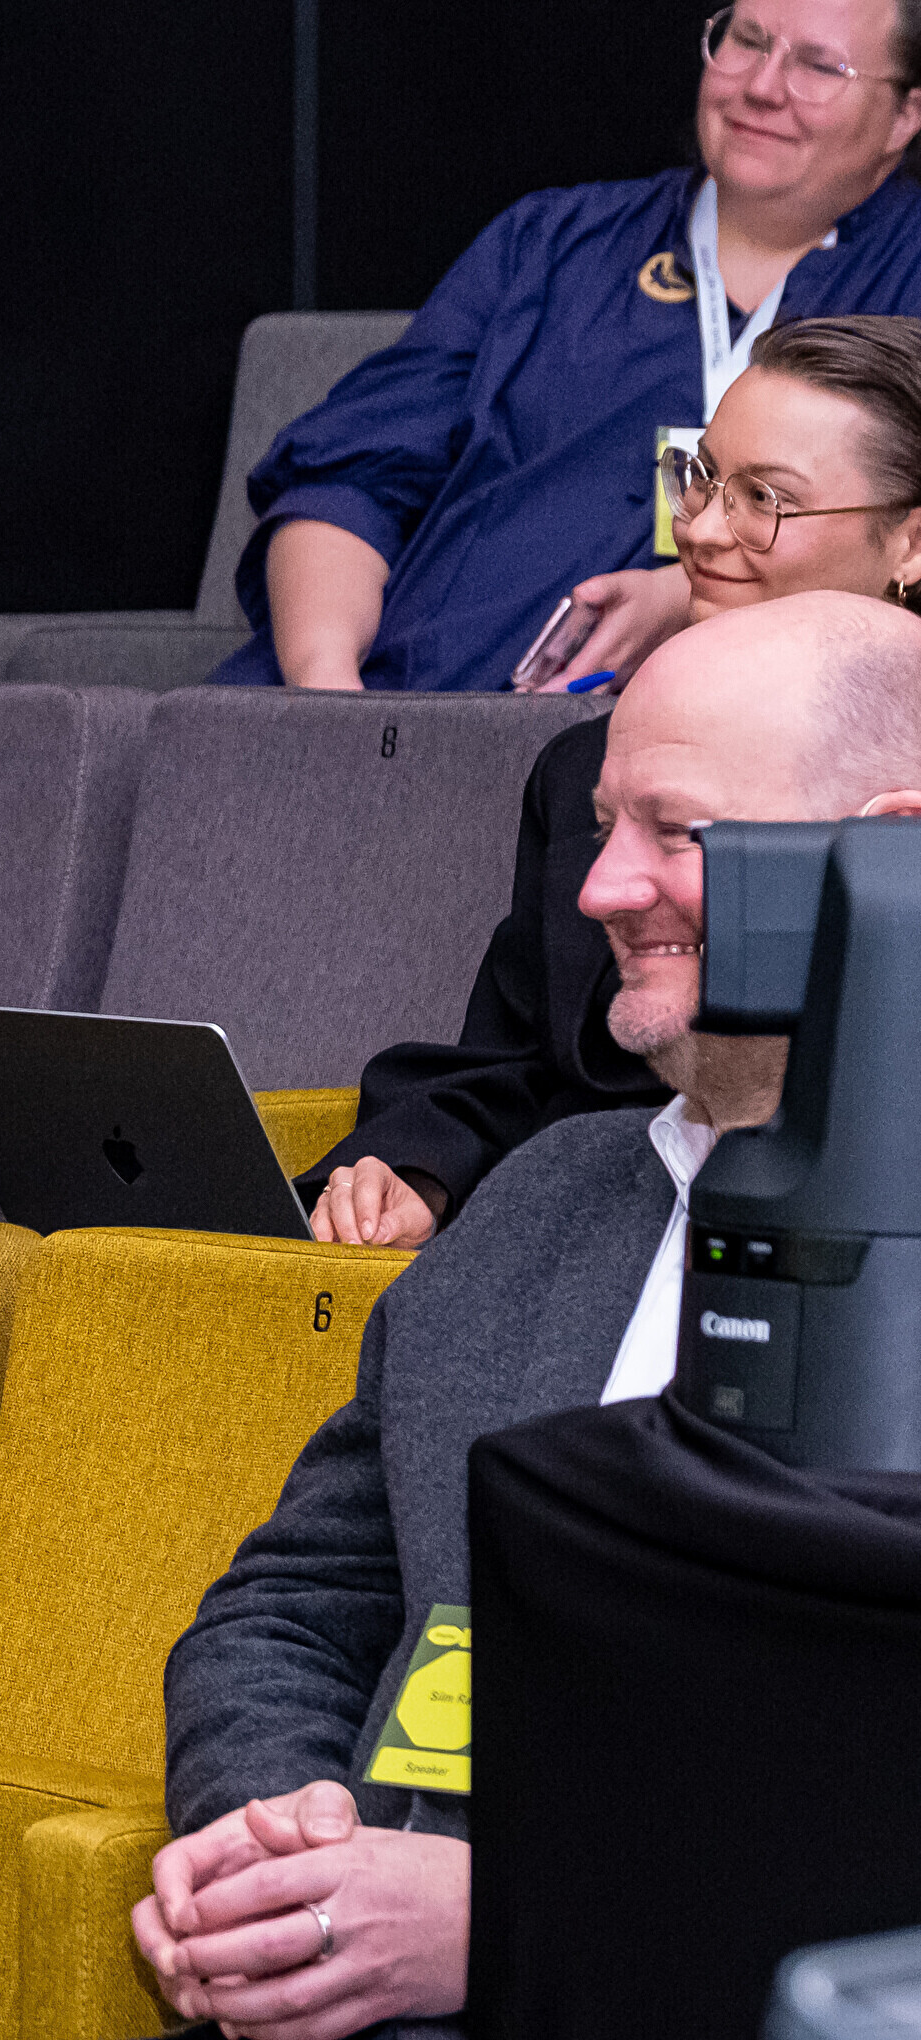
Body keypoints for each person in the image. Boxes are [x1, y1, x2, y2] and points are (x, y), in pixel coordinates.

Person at [134, 592, 921, 2040]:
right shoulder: (542, 1199)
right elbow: (290, 1608)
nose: (602, 889)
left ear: (888, 851)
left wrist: (513, 1921)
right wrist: (283, 1865)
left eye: (675, 831)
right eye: (604, 828)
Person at [306, 313, 921, 1247]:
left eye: (763, 499)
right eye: (701, 478)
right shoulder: (594, 767)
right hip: (588, 1244)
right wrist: (420, 1172)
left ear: (910, 544)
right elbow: (516, 1057)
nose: (699, 530)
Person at [214, 0, 921, 693]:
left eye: (819, 66)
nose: (762, 88)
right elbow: (351, 479)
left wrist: (687, 594)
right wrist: (327, 688)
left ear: (904, 116)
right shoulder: (551, 242)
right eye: (748, 41)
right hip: (392, 687)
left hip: (691, 732)